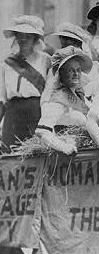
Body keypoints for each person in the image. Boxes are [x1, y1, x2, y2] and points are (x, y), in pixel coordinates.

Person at [0, 15, 51, 152]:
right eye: (19, 35)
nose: (23, 39)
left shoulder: (45, 60)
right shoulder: (7, 63)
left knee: (36, 155)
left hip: (36, 111)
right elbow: (2, 97)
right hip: (13, 114)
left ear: (35, 38)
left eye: (27, 36)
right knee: (10, 155)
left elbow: (51, 90)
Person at [35, 46, 93, 154]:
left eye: (78, 70)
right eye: (71, 70)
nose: (76, 74)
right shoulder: (57, 99)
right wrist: (64, 147)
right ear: (60, 74)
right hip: (67, 161)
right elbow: (42, 132)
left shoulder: (80, 96)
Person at [45, 22, 99, 100]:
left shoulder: (94, 70)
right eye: (63, 47)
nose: (67, 51)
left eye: (71, 47)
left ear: (79, 46)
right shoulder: (54, 68)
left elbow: (98, 96)